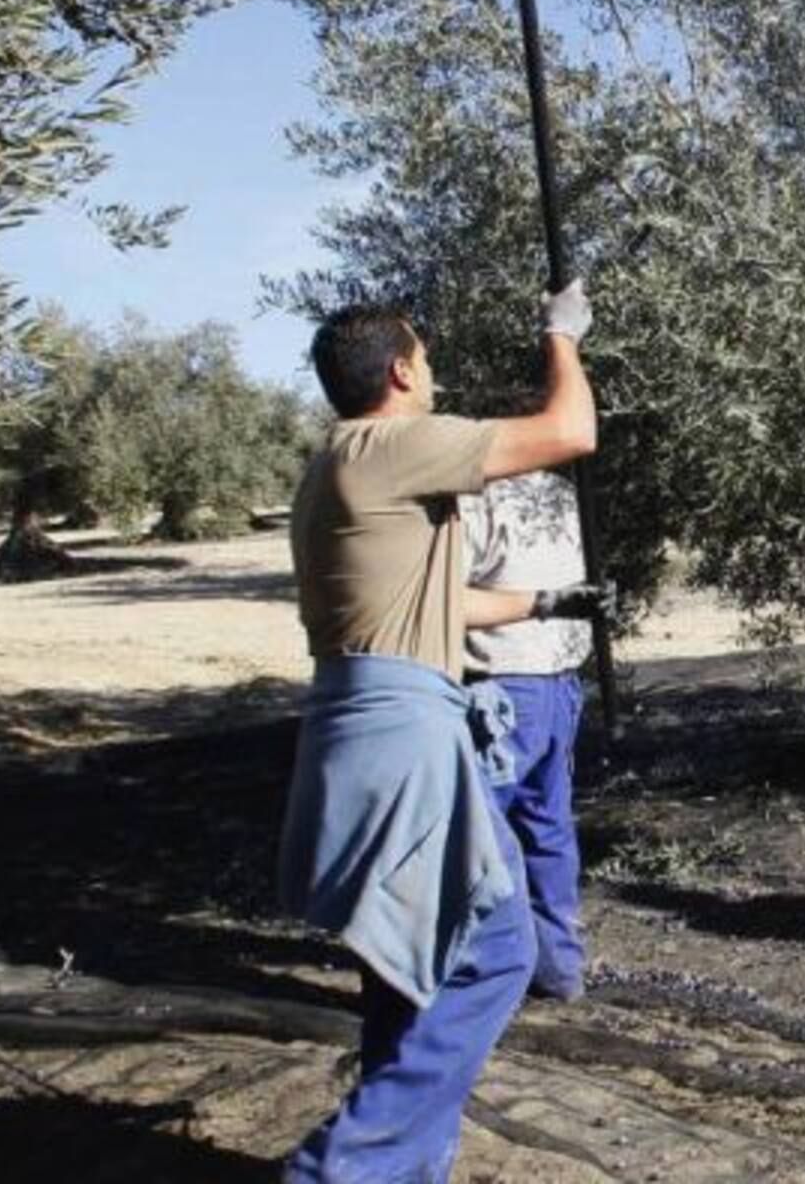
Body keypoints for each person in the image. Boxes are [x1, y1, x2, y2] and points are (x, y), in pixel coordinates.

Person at [278, 281, 603, 1184]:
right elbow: (570, 430)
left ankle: (403, 1165)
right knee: (498, 952)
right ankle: (342, 1169)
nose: (434, 372)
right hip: (404, 734)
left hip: (357, 721)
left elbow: (435, 601)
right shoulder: (395, 443)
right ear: (399, 369)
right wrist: (561, 335)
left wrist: (545, 601)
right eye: (425, 358)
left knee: (410, 951)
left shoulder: (335, 463)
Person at [460, 470, 595, 1001]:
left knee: (482, 832)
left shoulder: (476, 496)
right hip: (560, 678)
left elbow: (446, 596)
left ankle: (488, 974)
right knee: (548, 826)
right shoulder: (565, 492)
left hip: (501, 682)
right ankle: (558, 969)